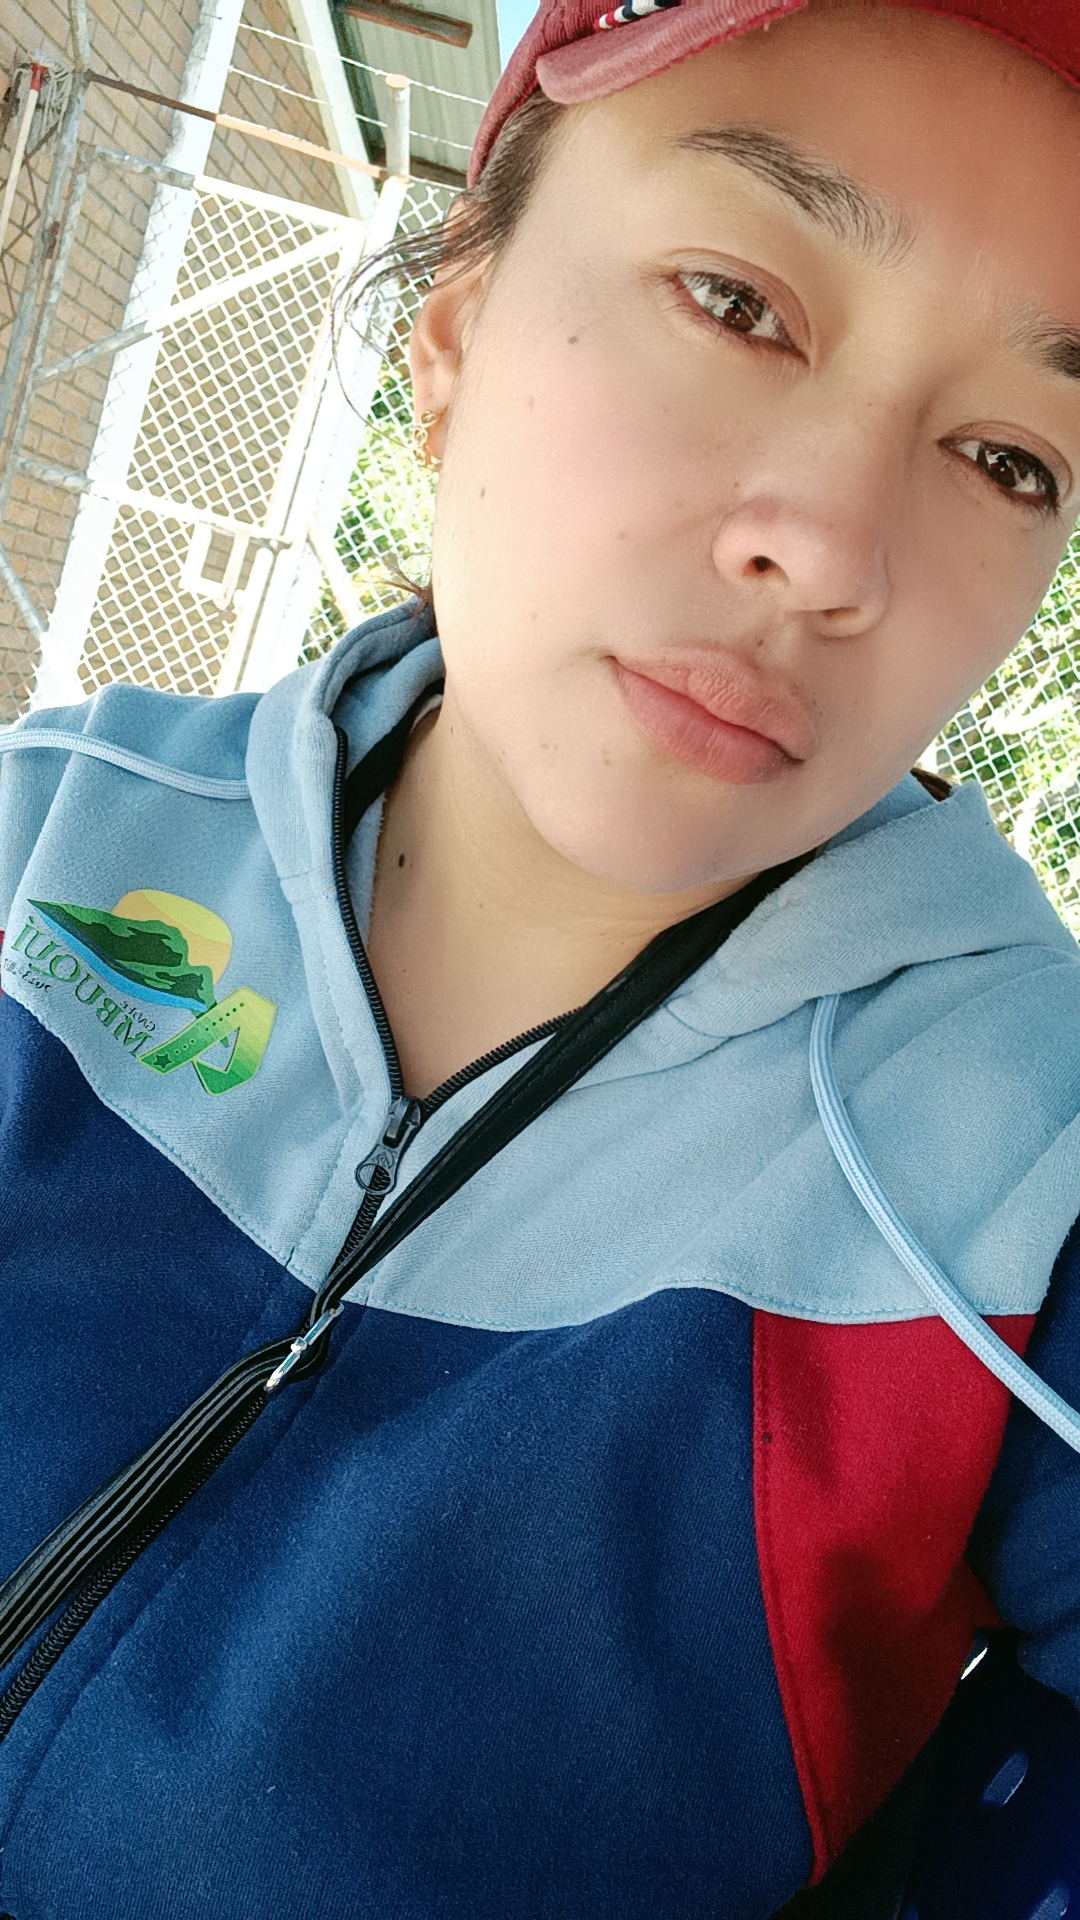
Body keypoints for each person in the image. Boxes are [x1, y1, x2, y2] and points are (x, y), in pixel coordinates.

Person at [2, 0, 1080, 1913]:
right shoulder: (42, 845)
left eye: (1010, 457)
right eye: (739, 305)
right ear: (455, 328)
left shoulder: (1023, 1175)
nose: (836, 552)